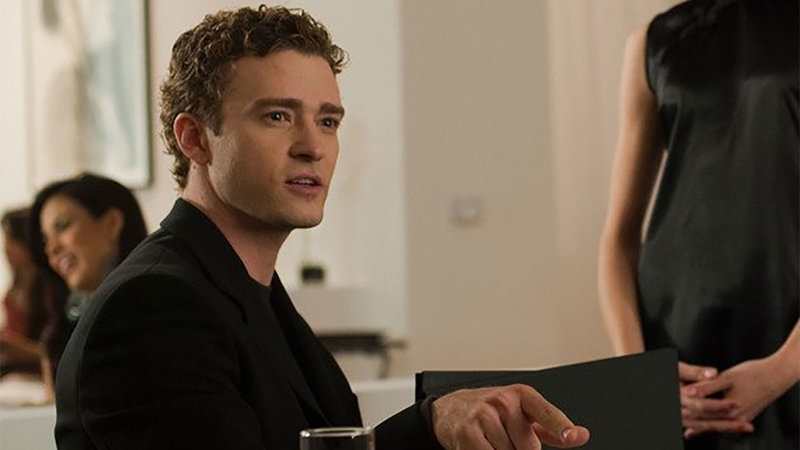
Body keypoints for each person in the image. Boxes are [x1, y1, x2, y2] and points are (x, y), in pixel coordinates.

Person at [54, 6, 590, 449]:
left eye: (328, 121)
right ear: (195, 138)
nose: (313, 146)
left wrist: (437, 424)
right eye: (277, 116)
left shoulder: (250, 293)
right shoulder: (153, 308)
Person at [598, 0, 799, 449]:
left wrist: (783, 369)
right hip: (674, 347)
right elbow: (618, 239)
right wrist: (640, 375)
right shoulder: (654, 42)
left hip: (786, 340)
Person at [29, 172, 148, 400]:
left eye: (62, 227)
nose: (52, 249)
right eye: (45, 240)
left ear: (111, 224)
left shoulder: (159, 312)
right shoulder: (60, 330)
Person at [0, 208, 63, 378]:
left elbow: (56, 352)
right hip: (13, 376)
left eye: (12, 240)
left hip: (37, 378)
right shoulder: (15, 286)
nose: (6, 249)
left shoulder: (51, 290)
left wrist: (9, 346)